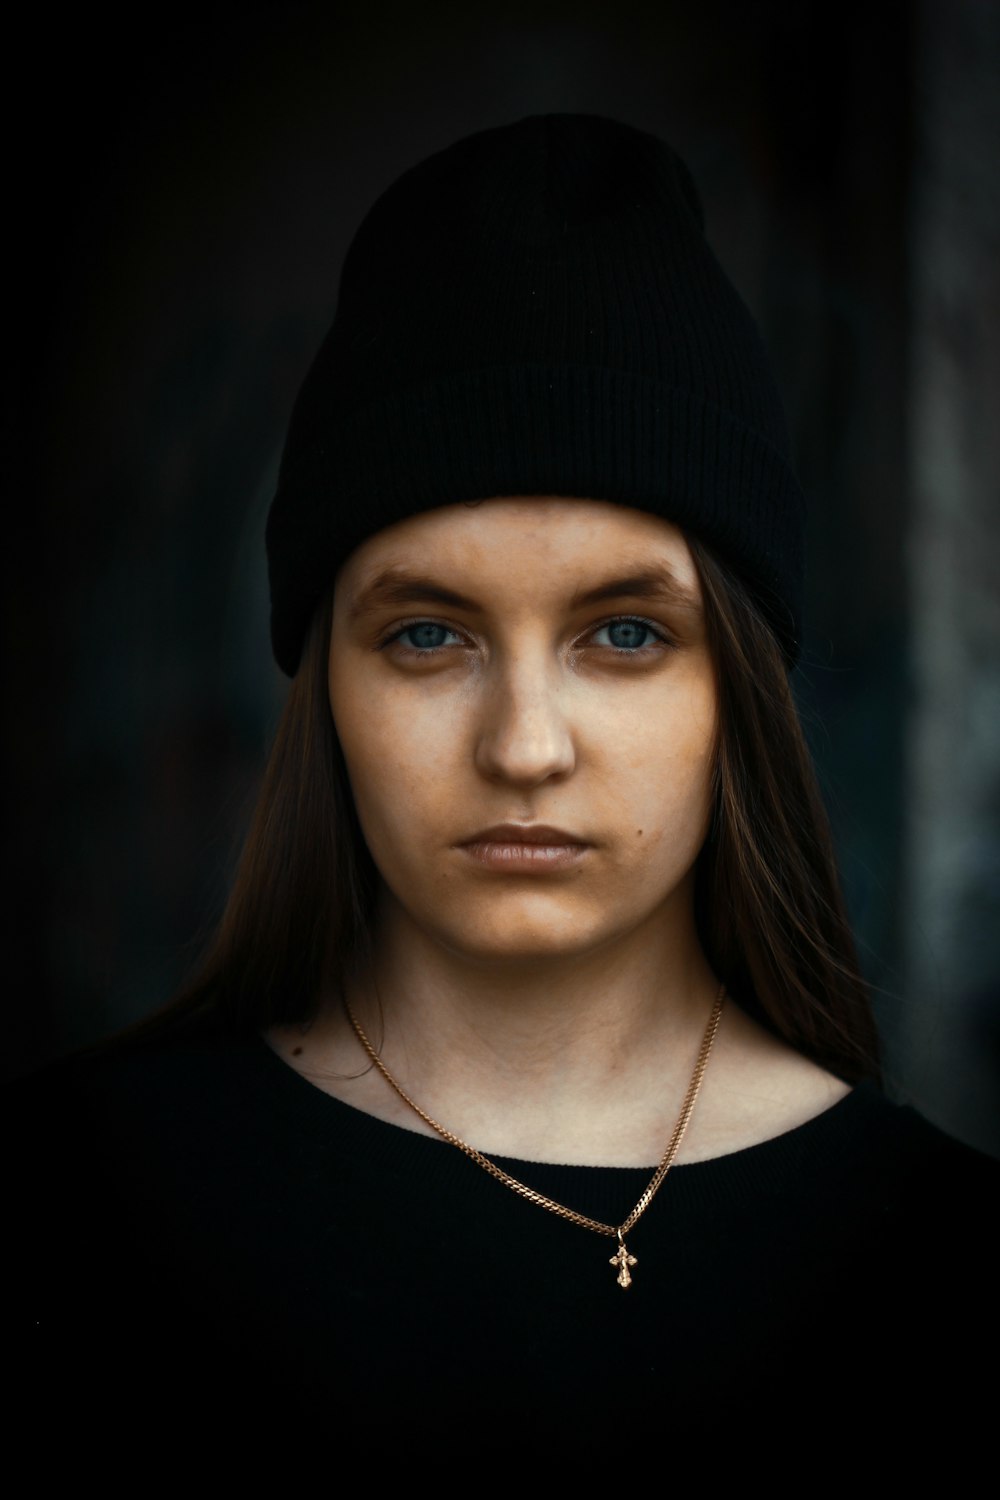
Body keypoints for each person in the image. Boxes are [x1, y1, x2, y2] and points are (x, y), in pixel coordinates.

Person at [12, 113, 997, 1455]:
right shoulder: (77, 1212)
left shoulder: (949, 1263)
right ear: (327, 690)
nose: (524, 746)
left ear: (739, 692)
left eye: (626, 633)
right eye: (428, 635)